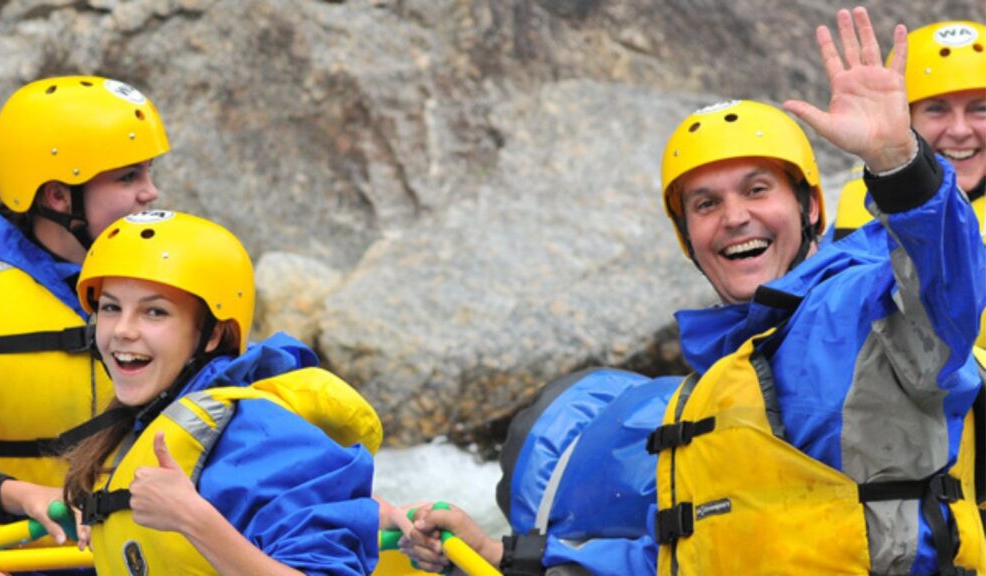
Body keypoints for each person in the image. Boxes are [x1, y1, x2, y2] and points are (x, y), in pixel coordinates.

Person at [403, 7, 986, 575]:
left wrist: (897, 162)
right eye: (706, 205)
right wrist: (507, 557)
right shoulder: (714, 383)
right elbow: (691, 552)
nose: (734, 218)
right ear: (688, 238)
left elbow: (949, 284)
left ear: (810, 207)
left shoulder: (871, 307)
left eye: (757, 190)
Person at [62, 210, 382, 575]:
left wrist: (191, 518)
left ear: (212, 335)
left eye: (154, 312)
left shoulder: (265, 437)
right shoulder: (149, 418)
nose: (122, 330)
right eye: (111, 307)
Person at [0, 75, 168, 542]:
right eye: (128, 177)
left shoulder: (170, 274)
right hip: (17, 551)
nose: (150, 193)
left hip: (142, 552)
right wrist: (12, 494)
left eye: (150, 172)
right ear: (58, 196)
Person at [831, 19, 985, 349]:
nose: (959, 130)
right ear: (905, 117)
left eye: (980, 110)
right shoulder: (861, 202)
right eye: (936, 110)